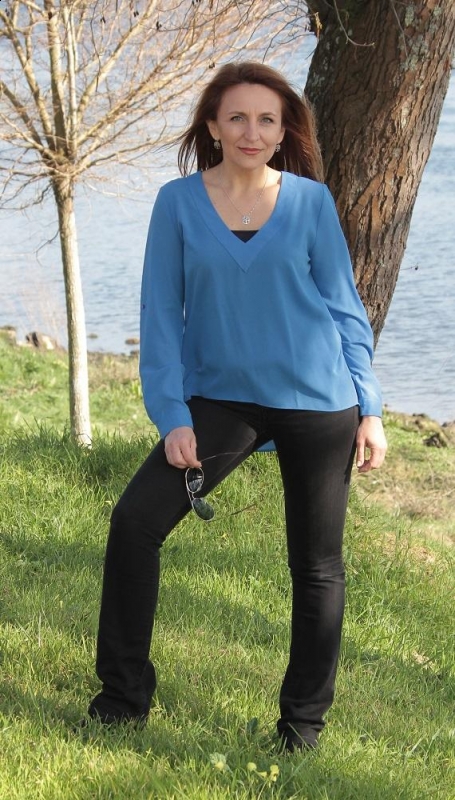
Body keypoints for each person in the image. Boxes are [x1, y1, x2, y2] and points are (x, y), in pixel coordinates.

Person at [86, 61, 387, 752]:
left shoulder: (311, 202)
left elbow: (345, 310)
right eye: (238, 118)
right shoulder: (177, 203)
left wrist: (369, 409)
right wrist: (173, 416)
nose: (252, 132)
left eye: (266, 120)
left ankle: (301, 727)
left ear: (283, 131)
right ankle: (121, 700)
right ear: (213, 127)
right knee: (134, 523)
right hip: (220, 399)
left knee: (316, 565)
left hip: (318, 401)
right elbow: (159, 315)